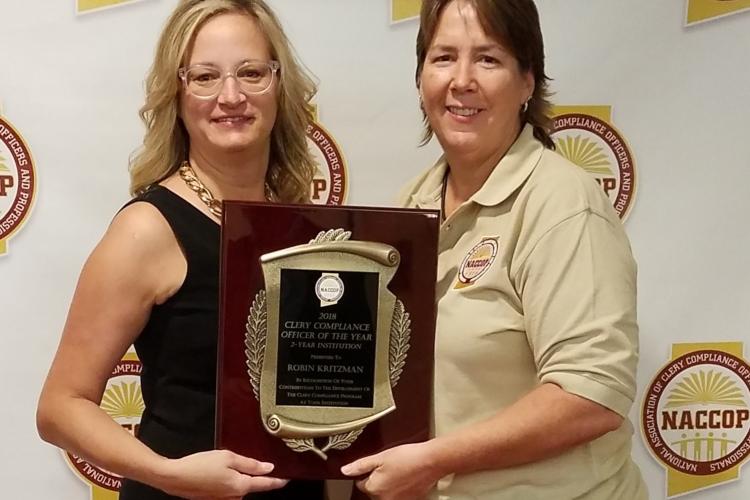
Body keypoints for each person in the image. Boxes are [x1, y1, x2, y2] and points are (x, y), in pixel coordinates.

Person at [342, 1, 648, 499]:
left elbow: (591, 396)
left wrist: (434, 459)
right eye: (443, 58)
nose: (462, 80)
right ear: (421, 78)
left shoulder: (562, 204)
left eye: (488, 59)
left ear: (528, 81)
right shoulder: (411, 205)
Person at [36, 1, 324, 498]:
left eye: (251, 72)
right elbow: (60, 406)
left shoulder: (298, 226)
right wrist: (169, 474)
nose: (230, 96)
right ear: (178, 91)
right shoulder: (147, 229)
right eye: (205, 77)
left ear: (280, 85)